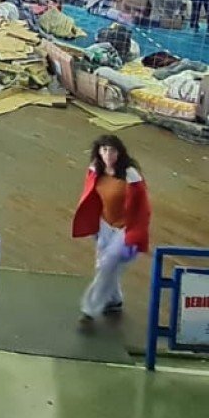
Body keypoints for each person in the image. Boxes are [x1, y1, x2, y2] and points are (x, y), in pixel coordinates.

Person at [72, 135, 150, 322]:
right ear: (99, 151)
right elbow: (91, 197)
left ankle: (90, 308)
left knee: (107, 264)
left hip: (125, 228)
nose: (108, 154)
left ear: (119, 153)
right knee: (104, 264)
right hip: (104, 225)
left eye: (113, 150)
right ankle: (114, 300)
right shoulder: (95, 170)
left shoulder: (131, 175)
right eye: (104, 150)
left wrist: (135, 235)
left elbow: (142, 208)